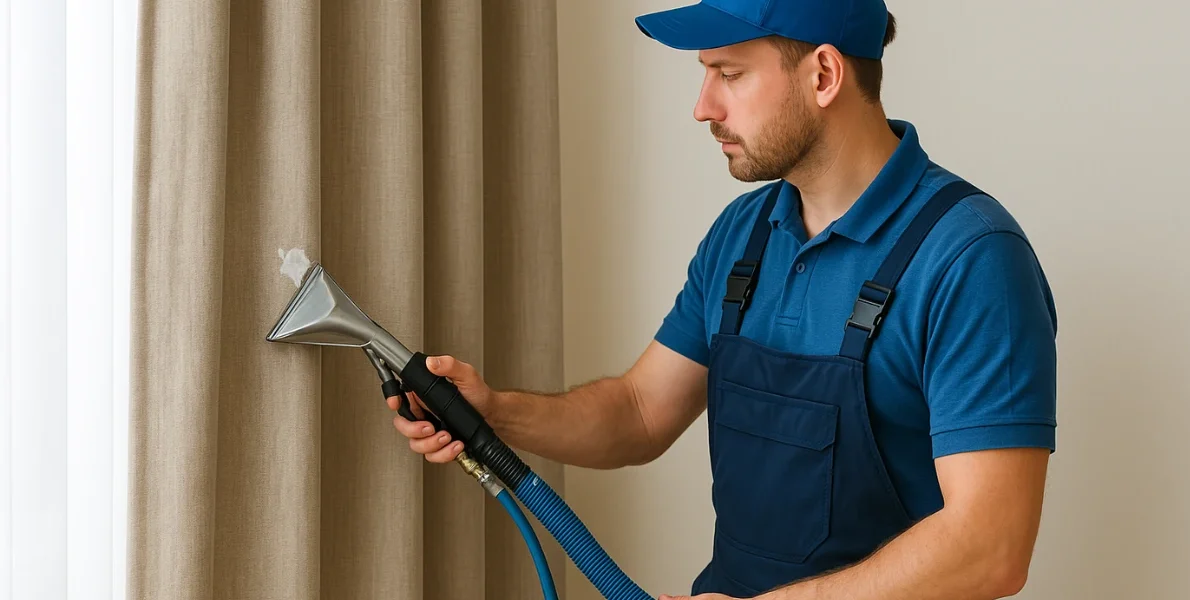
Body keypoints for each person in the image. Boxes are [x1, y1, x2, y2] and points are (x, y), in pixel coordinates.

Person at [389, 0, 1058, 598]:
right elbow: (639, 412)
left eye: (729, 74)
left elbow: (989, 549)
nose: (703, 106)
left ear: (823, 75)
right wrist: (494, 414)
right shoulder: (744, 236)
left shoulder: (970, 259)